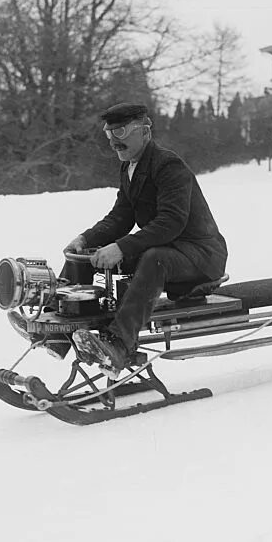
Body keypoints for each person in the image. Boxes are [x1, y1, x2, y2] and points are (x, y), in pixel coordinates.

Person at [62, 102, 229, 376]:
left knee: (154, 258)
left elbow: (171, 222)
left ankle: (119, 345)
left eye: (122, 133)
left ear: (145, 132)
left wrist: (121, 247)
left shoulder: (168, 165)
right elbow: (120, 218)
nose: (115, 142)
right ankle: (58, 329)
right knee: (87, 256)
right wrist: (86, 238)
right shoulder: (130, 167)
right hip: (169, 249)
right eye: (109, 134)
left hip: (200, 256)